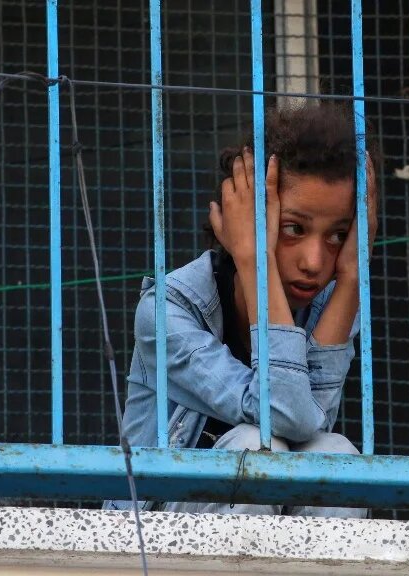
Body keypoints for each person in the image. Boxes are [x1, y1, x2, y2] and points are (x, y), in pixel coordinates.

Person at [105, 103, 378, 518]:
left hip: (270, 533)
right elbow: (283, 416)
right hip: (152, 534)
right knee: (256, 444)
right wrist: (255, 261)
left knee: (335, 452)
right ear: (242, 224)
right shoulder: (168, 310)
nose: (314, 262)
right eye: (293, 228)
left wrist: (354, 277)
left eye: (338, 235)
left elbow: (311, 425)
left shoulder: (332, 305)